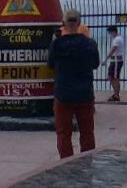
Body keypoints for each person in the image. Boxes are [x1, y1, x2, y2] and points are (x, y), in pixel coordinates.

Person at [48, 9, 100, 159]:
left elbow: (50, 64)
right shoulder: (90, 44)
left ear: (63, 23)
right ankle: (86, 161)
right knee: (87, 132)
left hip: (63, 93)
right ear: (79, 23)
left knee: (64, 133)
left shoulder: (57, 45)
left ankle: (66, 163)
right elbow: (95, 64)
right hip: (85, 93)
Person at [102, 26, 124, 101]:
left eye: (110, 32)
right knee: (112, 77)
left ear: (113, 31)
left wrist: (105, 60)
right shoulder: (119, 38)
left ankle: (116, 95)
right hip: (115, 61)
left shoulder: (117, 39)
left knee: (114, 78)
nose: (110, 34)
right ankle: (116, 94)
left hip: (116, 61)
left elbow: (113, 50)